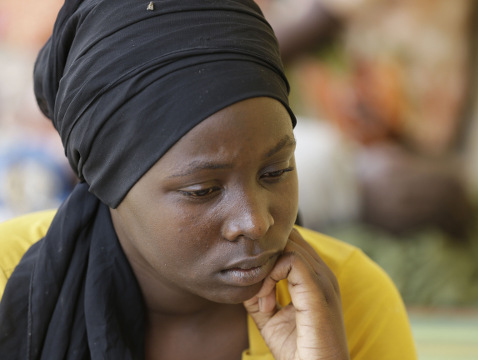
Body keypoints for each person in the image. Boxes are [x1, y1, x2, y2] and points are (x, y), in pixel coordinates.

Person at [0, 0, 417, 359]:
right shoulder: (7, 277)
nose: (255, 222)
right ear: (109, 180)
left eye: (276, 171)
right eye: (203, 190)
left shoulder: (350, 302)